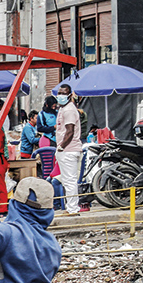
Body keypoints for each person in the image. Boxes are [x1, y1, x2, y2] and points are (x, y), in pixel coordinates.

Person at [54, 84, 83, 215]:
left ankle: (73, 209)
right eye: (59, 93)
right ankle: (70, 207)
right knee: (67, 180)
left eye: (63, 93)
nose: (60, 96)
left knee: (70, 181)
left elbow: (70, 132)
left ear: (70, 95)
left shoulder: (69, 110)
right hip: (66, 150)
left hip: (68, 150)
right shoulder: (63, 108)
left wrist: (61, 147)